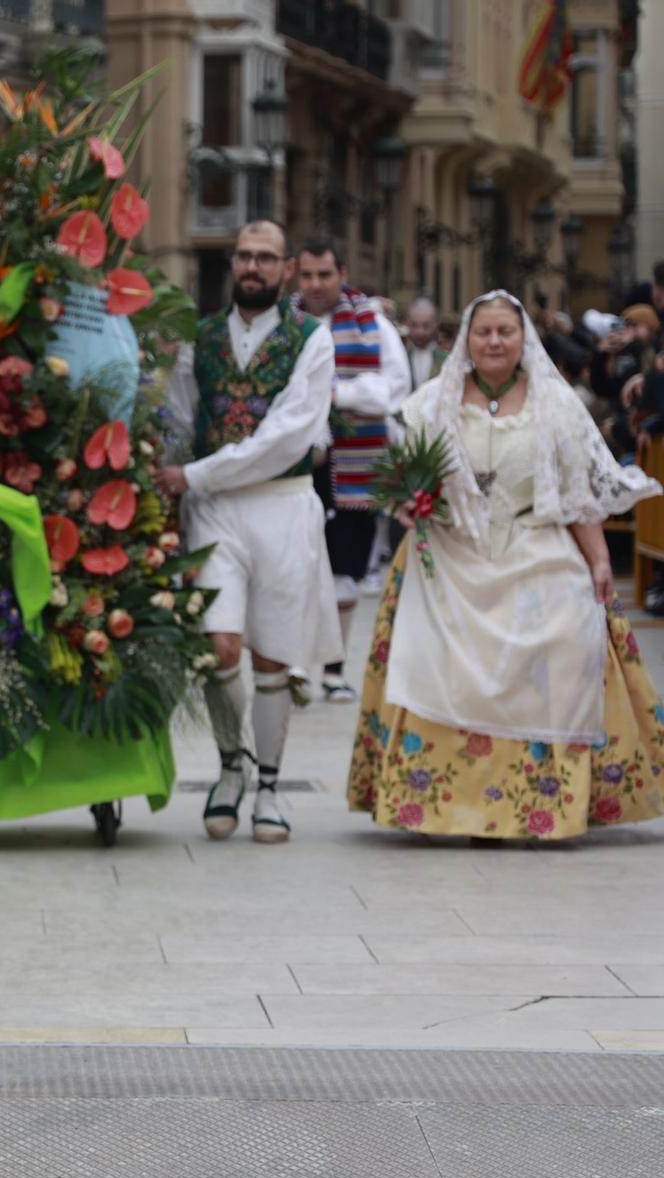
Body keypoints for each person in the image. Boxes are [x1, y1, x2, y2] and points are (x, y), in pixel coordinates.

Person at [348, 290, 664, 840]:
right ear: (467, 339)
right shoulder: (432, 403)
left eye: (505, 332)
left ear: (525, 341)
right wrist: (408, 500)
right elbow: (407, 478)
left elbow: (575, 494)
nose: (494, 341)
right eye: (484, 332)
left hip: (534, 542)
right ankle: (449, 802)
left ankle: (542, 800)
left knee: (571, 628)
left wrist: (597, 561)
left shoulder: (554, 404)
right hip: (451, 548)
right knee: (430, 650)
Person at [160, 219, 339, 844]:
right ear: (232, 264)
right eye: (244, 256)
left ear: (286, 267)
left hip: (282, 503)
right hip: (212, 510)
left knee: (270, 653)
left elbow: (287, 437)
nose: (253, 267)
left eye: (266, 257)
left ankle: (268, 785)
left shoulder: (312, 340)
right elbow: (181, 417)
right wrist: (164, 478)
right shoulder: (200, 337)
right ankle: (229, 767)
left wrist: (194, 473)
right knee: (220, 645)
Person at [291, 238, 408, 704]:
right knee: (295, 564)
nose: (316, 284)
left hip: (356, 459)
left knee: (346, 567)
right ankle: (296, 663)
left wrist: (333, 394)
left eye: (324, 274)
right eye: (307, 275)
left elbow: (392, 389)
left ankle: (335, 670)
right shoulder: (284, 323)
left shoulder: (372, 324)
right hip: (297, 460)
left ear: (342, 273)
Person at [404, 297, 444, 389]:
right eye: (414, 325)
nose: (419, 332)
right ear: (407, 323)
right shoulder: (400, 357)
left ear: (436, 325)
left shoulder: (447, 361)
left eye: (426, 326)